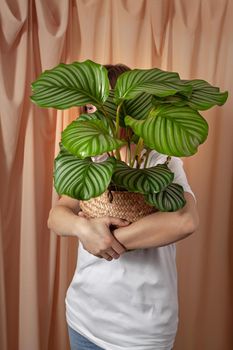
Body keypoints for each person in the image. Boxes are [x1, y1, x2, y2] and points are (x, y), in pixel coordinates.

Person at [47, 64, 199, 350]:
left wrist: (104, 241)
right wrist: (83, 228)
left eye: (103, 106)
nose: (94, 116)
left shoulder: (161, 160)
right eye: (89, 109)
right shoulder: (87, 158)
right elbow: (57, 216)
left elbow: (184, 221)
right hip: (84, 318)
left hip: (143, 331)